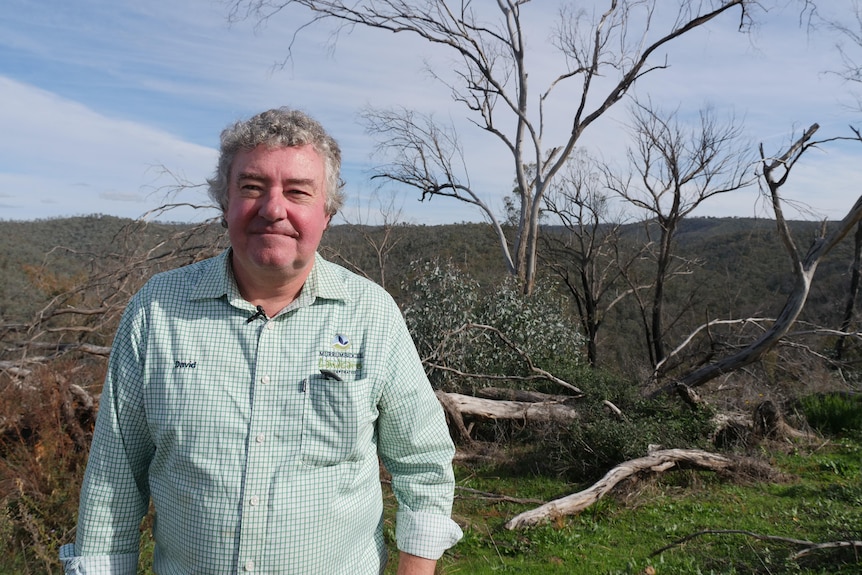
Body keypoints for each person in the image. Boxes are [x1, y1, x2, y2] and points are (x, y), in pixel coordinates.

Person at [60, 108, 462, 574]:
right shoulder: (156, 311)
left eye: (297, 192)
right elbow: (115, 475)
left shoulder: (372, 314)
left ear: (326, 212)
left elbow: (422, 460)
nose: (273, 208)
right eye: (252, 187)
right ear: (224, 202)